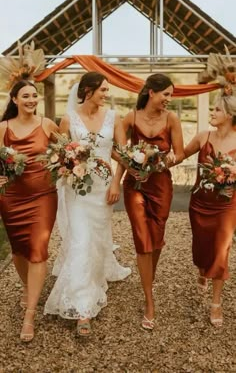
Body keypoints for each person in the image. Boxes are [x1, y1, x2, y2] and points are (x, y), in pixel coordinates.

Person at [44, 71, 131, 336]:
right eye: (103, 90)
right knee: (81, 239)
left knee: (97, 236)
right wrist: (69, 165)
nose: (107, 94)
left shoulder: (114, 118)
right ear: (88, 90)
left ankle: (96, 271)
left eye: (107, 90)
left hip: (104, 190)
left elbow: (123, 155)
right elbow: (59, 154)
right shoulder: (68, 119)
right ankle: (82, 306)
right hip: (77, 191)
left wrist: (116, 183)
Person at [120, 73, 184, 330]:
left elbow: (179, 153)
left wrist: (160, 161)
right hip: (134, 185)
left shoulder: (172, 119)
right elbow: (118, 149)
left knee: (156, 240)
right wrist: (130, 164)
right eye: (166, 94)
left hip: (161, 186)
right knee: (143, 241)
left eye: (171, 94)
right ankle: (149, 300)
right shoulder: (130, 117)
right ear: (151, 93)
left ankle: (149, 278)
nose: (169, 99)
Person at [0, 80, 58, 342]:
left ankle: (30, 315)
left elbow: (69, 152)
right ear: (14, 99)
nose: (32, 100)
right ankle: (26, 286)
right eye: (26, 96)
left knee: (38, 249)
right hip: (12, 198)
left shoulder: (47, 125)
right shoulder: (3, 128)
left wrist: (68, 167)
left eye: (35, 95)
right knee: (19, 251)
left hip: (43, 196)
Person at [184, 93, 236, 327]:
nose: (212, 113)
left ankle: (216, 303)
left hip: (227, 206)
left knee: (221, 249)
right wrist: (150, 162)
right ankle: (202, 268)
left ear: (230, 115)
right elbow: (179, 156)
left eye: (216, 110)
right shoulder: (203, 137)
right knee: (201, 246)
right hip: (199, 204)